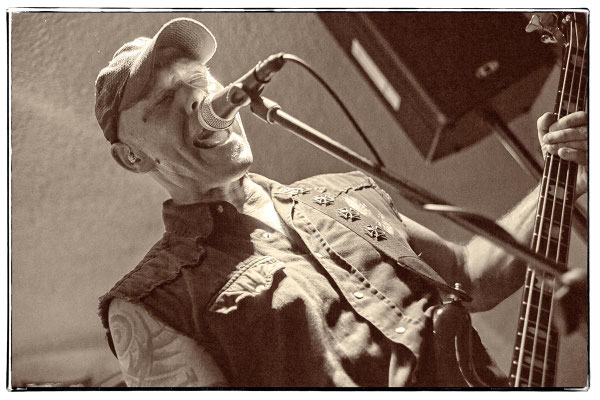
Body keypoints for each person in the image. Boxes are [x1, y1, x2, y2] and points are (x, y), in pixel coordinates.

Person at [94, 18, 588, 387]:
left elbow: (468, 277)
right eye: (165, 99)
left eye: (200, 79)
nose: (199, 100)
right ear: (132, 156)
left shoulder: (342, 190)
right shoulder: (151, 302)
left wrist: (567, 177)